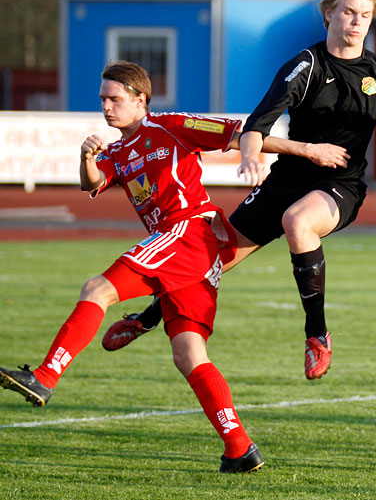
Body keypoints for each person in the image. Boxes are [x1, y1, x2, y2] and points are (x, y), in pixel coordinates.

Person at [101, 0, 376, 380]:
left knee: (298, 223)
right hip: (286, 180)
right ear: (328, 14)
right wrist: (251, 158)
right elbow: (257, 125)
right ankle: (147, 318)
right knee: (209, 256)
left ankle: (317, 336)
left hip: (339, 185)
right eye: (348, 12)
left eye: (364, 14)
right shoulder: (306, 65)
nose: (356, 21)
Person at [0, 61, 344, 473]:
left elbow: (241, 136)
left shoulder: (170, 125)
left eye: (115, 99)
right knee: (188, 354)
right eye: (103, 100)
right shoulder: (117, 151)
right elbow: (91, 183)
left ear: (140, 100)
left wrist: (307, 149)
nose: (107, 107)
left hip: (188, 232)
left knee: (98, 288)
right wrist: (86, 157)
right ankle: (240, 448)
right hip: (193, 253)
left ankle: (45, 376)